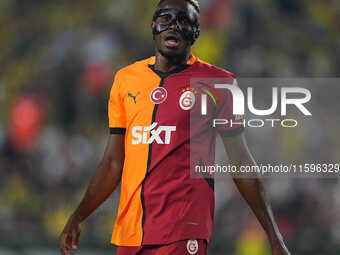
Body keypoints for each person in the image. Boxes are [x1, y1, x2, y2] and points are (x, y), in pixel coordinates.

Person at [59, 0, 291, 254]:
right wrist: (79, 214)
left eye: (184, 21)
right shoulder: (125, 81)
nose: (174, 26)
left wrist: (273, 234)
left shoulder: (218, 83)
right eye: (166, 18)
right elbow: (113, 162)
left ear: (196, 32)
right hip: (130, 234)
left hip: (183, 230)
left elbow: (241, 162)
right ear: (153, 26)